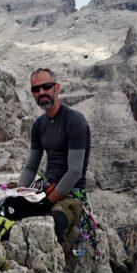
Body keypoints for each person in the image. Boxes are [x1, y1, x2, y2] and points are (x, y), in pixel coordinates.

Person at [18, 67, 91, 247]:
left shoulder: (75, 121)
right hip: (46, 185)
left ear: (56, 88)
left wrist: (47, 202)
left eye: (46, 86)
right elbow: (30, 167)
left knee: (53, 222)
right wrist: (20, 192)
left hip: (71, 193)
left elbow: (74, 172)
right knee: (6, 202)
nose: (41, 92)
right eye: (36, 89)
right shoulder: (39, 125)